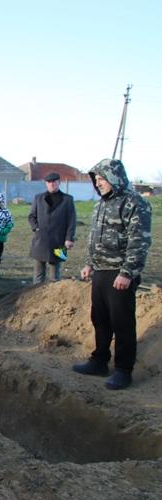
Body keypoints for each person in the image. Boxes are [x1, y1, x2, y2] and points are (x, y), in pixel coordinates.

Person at [74, 159, 152, 390]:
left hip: (120, 273)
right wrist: (90, 263)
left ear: (115, 178)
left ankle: (123, 370)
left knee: (122, 322)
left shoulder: (134, 203)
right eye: (95, 180)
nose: (98, 184)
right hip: (100, 271)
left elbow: (139, 241)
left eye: (102, 179)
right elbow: (95, 238)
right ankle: (99, 360)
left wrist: (127, 272)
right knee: (100, 319)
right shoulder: (101, 205)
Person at [28, 172, 76, 283]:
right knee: (38, 276)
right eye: (49, 182)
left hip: (59, 241)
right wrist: (36, 228)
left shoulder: (67, 199)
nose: (52, 184)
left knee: (55, 276)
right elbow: (31, 217)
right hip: (41, 240)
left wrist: (69, 238)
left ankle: (53, 298)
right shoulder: (38, 198)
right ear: (46, 184)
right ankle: (37, 296)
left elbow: (71, 220)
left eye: (54, 182)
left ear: (59, 182)